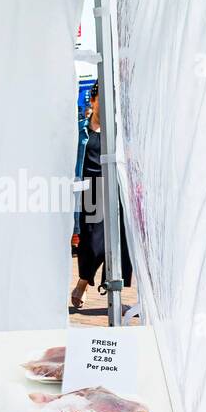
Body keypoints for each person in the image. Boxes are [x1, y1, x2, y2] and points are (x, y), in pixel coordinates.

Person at [71, 84, 133, 310]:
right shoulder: (80, 130)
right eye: (102, 100)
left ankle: (113, 295)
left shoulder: (117, 132)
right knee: (93, 244)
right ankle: (83, 282)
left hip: (113, 188)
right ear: (93, 100)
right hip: (91, 190)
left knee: (120, 241)